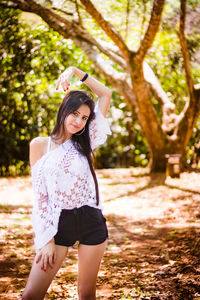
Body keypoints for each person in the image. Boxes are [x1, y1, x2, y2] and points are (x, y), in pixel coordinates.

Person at [22, 66, 112, 300]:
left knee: (86, 294)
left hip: (91, 219)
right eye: (75, 114)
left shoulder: (86, 142)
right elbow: (40, 196)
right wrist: (47, 240)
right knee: (32, 294)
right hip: (58, 223)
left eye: (84, 118)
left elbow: (105, 94)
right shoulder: (40, 145)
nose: (79, 121)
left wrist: (76, 72)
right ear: (64, 110)